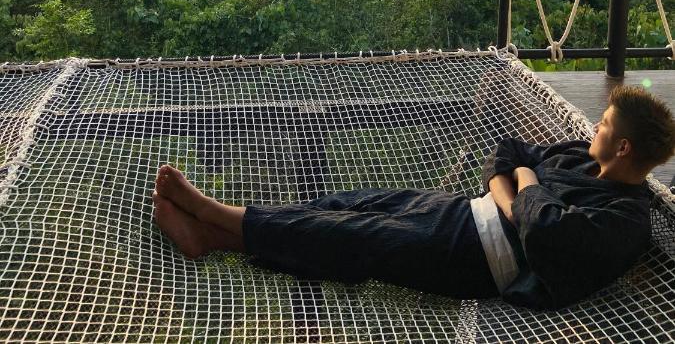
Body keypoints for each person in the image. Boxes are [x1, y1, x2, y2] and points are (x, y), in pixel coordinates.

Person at [153, 85, 675, 310]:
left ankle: (215, 215)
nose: (594, 125)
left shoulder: (624, 220)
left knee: (352, 238)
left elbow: (546, 231)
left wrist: (525, 185)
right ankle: (214, 238)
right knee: (345, 207)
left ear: (623, 146)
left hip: (475, 260)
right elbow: (511, 153)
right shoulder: (580, 157)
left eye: (603, 124)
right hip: (461, 212)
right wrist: (510, 191)